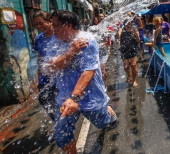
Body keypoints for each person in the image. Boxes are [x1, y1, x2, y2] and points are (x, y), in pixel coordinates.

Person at [44, 10, 117, 153]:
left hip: (90, 97)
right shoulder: (54, 42)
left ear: (68, 25)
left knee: (102, 124)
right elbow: (50, 68)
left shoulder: (87, 40)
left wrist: (75, 97)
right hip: (65, 99)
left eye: (56, 25)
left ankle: (108, 110)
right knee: (62, 135)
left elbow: (89, 71)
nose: (53, 29)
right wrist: (71, 52)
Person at [32, 11, 57, 121]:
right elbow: (39, 56)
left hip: (59, 77)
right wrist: (39, 74)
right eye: (36, 24)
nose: (39, 26)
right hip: (45, 77)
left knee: (60, 102)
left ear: (50, 21)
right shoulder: (39, 38)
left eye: (41, 23)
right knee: (44, 100)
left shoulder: (59, 36)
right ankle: (57, 122)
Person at [116, 20, 141, 87]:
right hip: (124, 50)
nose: (129, 24)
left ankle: (134, 80)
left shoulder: (135, 30)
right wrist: (117, 30)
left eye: (131, 23)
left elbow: (138, 41)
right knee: (126, 67)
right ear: (126, 23)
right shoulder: (122, 29)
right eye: (128, 23)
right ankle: (129, 74)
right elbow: (118, 35)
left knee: (133, 65)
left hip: (133, 50)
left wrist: (136, 35)